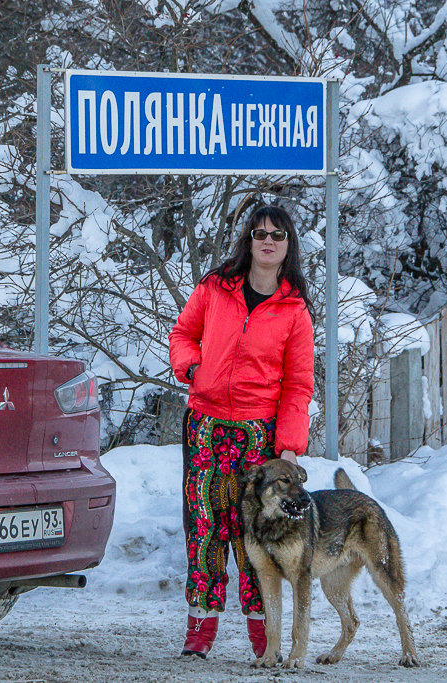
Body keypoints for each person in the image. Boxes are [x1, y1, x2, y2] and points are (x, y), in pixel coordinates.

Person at [168, 204, 315, 659]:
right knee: (207, 528)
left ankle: (261, 632)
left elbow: (298, 385)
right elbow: (182, 334)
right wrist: (194, 368)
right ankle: (201, 628)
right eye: (260, 233)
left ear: (288, 245)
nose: (268, 240)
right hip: (207, 427)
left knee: (255, 531)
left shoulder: (294, 310)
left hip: (258, 436)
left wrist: (289, 448)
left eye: (278, 234)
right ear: (248, 240)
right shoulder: (216, 287)